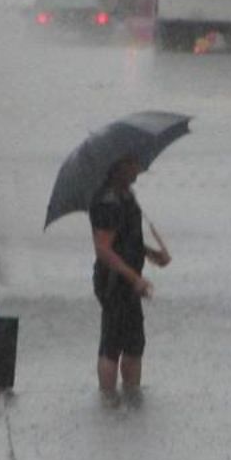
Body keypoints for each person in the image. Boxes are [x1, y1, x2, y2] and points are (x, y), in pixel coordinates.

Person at [89, 156, 171, 407]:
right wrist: (134, 278)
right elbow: (103, 248)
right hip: (114, 281)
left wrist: (152, 253)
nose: (140, 168)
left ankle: (132, 394)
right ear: (120, 167)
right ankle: (108, 399)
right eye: (135, 163)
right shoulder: (108, 202)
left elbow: (126, 240)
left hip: (127, 279)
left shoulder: (125, 196)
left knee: (134, 341)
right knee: (113, 340)